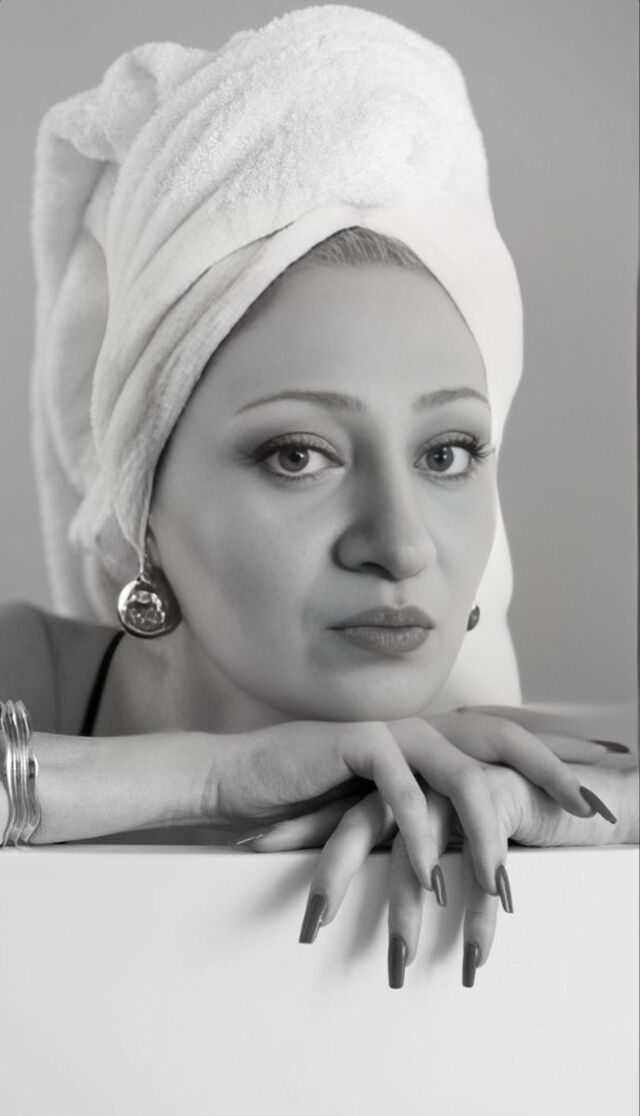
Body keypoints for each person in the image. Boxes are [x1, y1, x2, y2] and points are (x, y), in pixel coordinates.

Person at [1, 5, 637, 993]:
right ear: (144, 498)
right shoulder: (26, 675)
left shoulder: (497, 761)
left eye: (447, 452)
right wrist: (218, 775)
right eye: (299, 455)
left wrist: (593, 814)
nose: (401, 545)